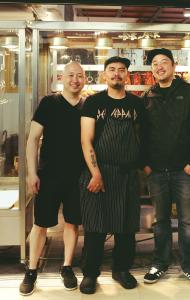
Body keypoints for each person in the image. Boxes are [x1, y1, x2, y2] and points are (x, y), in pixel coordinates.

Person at [142, 48, 190, 287]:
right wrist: (146, 164)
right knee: (160, 221)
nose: (159, 67)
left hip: (184, 170)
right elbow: (140, 134)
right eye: (154, 64)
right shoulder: (147, 96)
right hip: (157, 172)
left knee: (187, 221)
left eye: (163, 62)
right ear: (152, 70)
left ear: (173, 66)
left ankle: (189, 265)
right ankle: (159, 263)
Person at [79, 56, 147, 294]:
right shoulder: (93, 102)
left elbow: (142, 138)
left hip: (127, 174)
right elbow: (86, 140)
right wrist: (95, 174)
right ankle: (89, 274)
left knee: (126, 228)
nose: (117, 74)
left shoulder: (136, 104)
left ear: (127, 75)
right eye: (112, 70)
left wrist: (142, 165)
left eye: (121, 70)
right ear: (104, 75)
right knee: (95, 228)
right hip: (99, 171)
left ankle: (121, 270)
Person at [19, 61, 86, 296]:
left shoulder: (87, 106)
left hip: (77, 176)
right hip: (49, 175)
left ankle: (67, 267)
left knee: (72, 222)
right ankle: (32, 270)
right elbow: (32, 139)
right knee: (41, 224)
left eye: (79, 76)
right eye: (70, 75)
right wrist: (32, 172)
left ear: (85, 79)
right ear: (62, 78)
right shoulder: (49, 103)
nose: (75, 80)